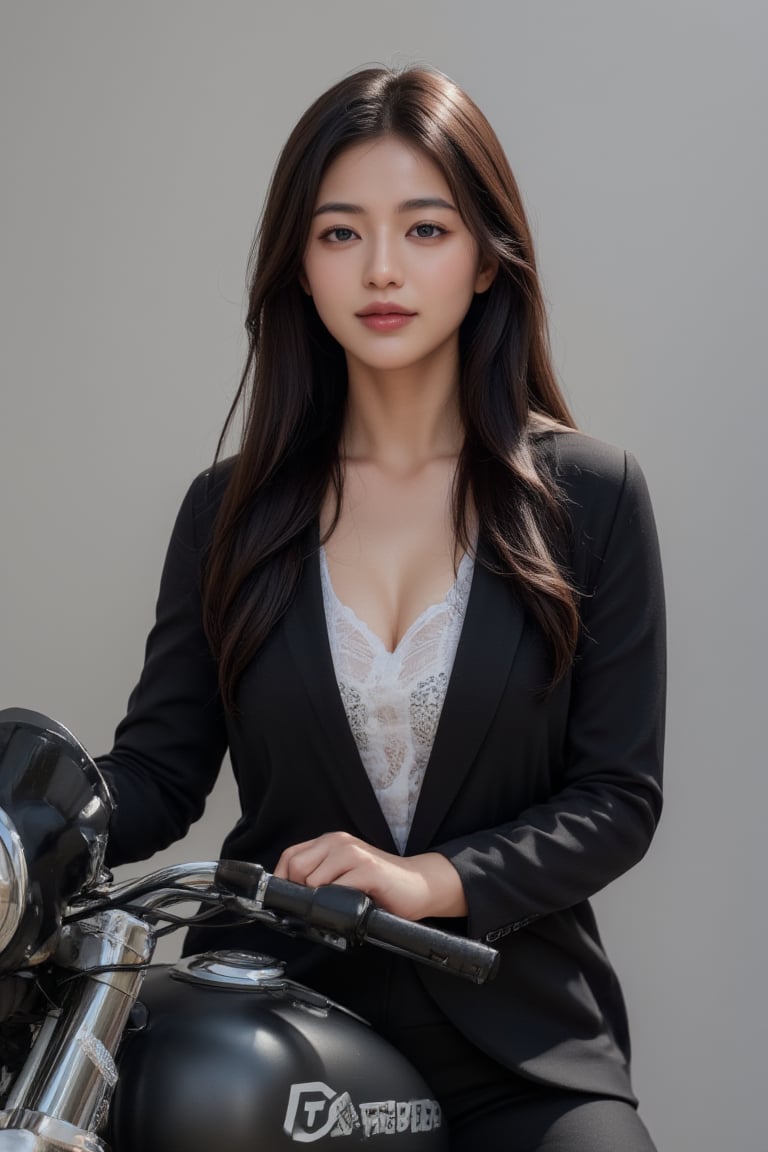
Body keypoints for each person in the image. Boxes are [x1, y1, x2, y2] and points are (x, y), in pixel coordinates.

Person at [97, 65, 665, 1151]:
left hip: (521, 1045)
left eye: (426, 228)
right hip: (275, 1019)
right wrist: (36, 819)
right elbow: (159, 776)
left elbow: (616, 796)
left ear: (490, 257)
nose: (385, 269)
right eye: (342, 234)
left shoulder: (594, 496)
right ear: (299, 269)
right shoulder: (227, 514)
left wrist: (427, 881)